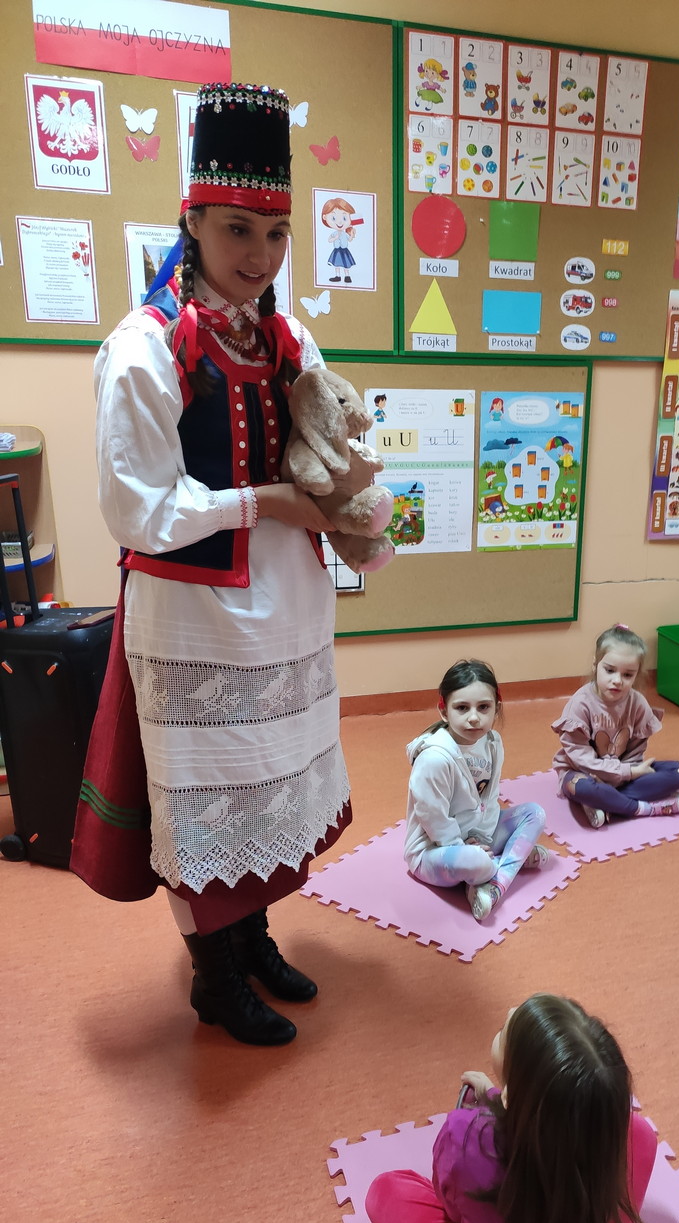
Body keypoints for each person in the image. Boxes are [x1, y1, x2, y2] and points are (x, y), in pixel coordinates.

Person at [82, 82, 351, 1047]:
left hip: (284, 606)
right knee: (204, 797)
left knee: (269, 780)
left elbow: (326, 438)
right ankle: (214, 974)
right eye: (238, 230)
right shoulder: (145, 349)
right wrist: (266, 502)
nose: (259, 257)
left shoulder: (287, 335)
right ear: (191, 219)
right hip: (192, 615)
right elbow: (140, 511)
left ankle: (254, 937)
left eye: (276, 235)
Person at [365, 994, 657, 1223]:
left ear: (511, 1093)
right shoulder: (601, 1138)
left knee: (385, 1191)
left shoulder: (465, 1135)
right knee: (640, 1135)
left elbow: (450, 1208)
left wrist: (485, 1112)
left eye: (506, 1031)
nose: (508, 1013)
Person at [405, 659, 549, 920]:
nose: (474, 717)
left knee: (535, 813)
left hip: (477, 834)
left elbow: (491, 798)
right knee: (477, 862)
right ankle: (506, 863)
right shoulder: (434, 758)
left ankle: (492, 884)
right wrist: (463, 847)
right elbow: (433, 817)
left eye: (483, 707)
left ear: (496, 708)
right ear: (444, 710)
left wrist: (482, 840)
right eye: (462, 708)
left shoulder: (492, 743)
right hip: (434, 850)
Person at [552, 624, 679, 829]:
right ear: (595, 665)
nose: (617, 681)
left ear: (636, 675)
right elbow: (582, 759)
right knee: (580, 786)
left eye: (627, 675)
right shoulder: (580, 704)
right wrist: (628, 773)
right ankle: (643, 808)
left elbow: (636, 752)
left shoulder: (638, 703)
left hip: (626, 774)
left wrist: (629, 773)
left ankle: (605, 802)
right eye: (609, 670)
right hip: (584, 773)